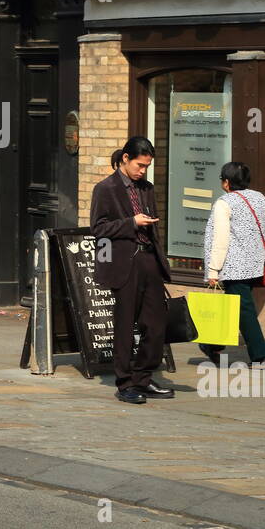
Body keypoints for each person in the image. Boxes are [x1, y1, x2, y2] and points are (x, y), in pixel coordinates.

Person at [90, 137, 174, 405]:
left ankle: (143, 377)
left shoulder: (146, 188)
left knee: (157, 323)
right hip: (124, 263)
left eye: (147, 166)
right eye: (140, 165)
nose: (143, 171)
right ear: (125, 159)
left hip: (149, 259)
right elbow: (98, 229)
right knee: (125, 325)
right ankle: (125, 383)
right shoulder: (105, 188)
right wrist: (131, 223)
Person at [202, 161, 265, 367]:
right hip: (255, 264)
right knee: (237, 307)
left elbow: (220, 238)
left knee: (244, 310)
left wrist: (213, 269)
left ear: (226, 182)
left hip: (233, 268)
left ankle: (260, 356)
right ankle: (212, 344)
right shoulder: (259, 198)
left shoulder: (224, 203)